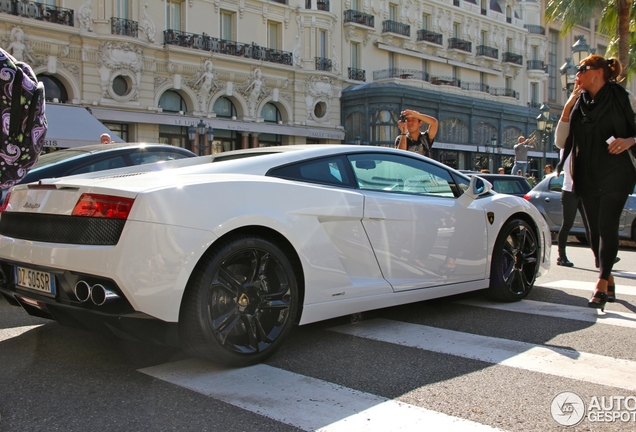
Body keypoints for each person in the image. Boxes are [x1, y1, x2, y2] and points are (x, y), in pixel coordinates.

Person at [555, 54, 636, 310]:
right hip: (586, 172)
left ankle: (601, 282)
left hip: (617, 171)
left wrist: (630, 141)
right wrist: (568, 108)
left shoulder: (622, 97)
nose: (576, 74)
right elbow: (560, 142)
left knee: (607, 223)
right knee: (593, 231)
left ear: (596, 73)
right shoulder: (578, 103)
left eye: (581, 69)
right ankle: (609, 275)